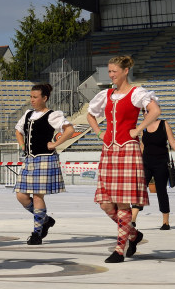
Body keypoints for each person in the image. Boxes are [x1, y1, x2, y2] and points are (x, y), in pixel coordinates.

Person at [86, 55, 160, 263]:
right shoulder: (106, 94)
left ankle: (120, 249)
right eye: (109, 72)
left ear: (125, 71)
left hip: (127, 149)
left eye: (114, 72)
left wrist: (138, 129)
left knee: (122, 203)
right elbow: (90, 115)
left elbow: (155, 111)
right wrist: (99, 133)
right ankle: (134, 235)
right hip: (109, 149)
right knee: (106, 204)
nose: (111, 75)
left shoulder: (137, 93)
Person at [13, 83, 73, 245]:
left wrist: (55, 144)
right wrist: (22, 145)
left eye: (35, 97)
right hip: (30, 158)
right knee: (21, 195)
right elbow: (18, 130)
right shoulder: (27, 114)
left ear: (44, 98)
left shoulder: (53, 115)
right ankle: (45, 220)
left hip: (45, 158)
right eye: (31, 97)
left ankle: (37, 233)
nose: (32, 100)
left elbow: (69, 129)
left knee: (38, 195)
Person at [140, 113, 175, 230]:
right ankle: (132, 220)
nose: (145, 113)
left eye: (148, 111)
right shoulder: (143, 126)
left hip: (161, 163)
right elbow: (142, 145)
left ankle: (165, 222)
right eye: (144, 111)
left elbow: (173, 142)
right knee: (139, 190)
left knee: (161, 191)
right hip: (146, 163)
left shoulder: (163, 124)